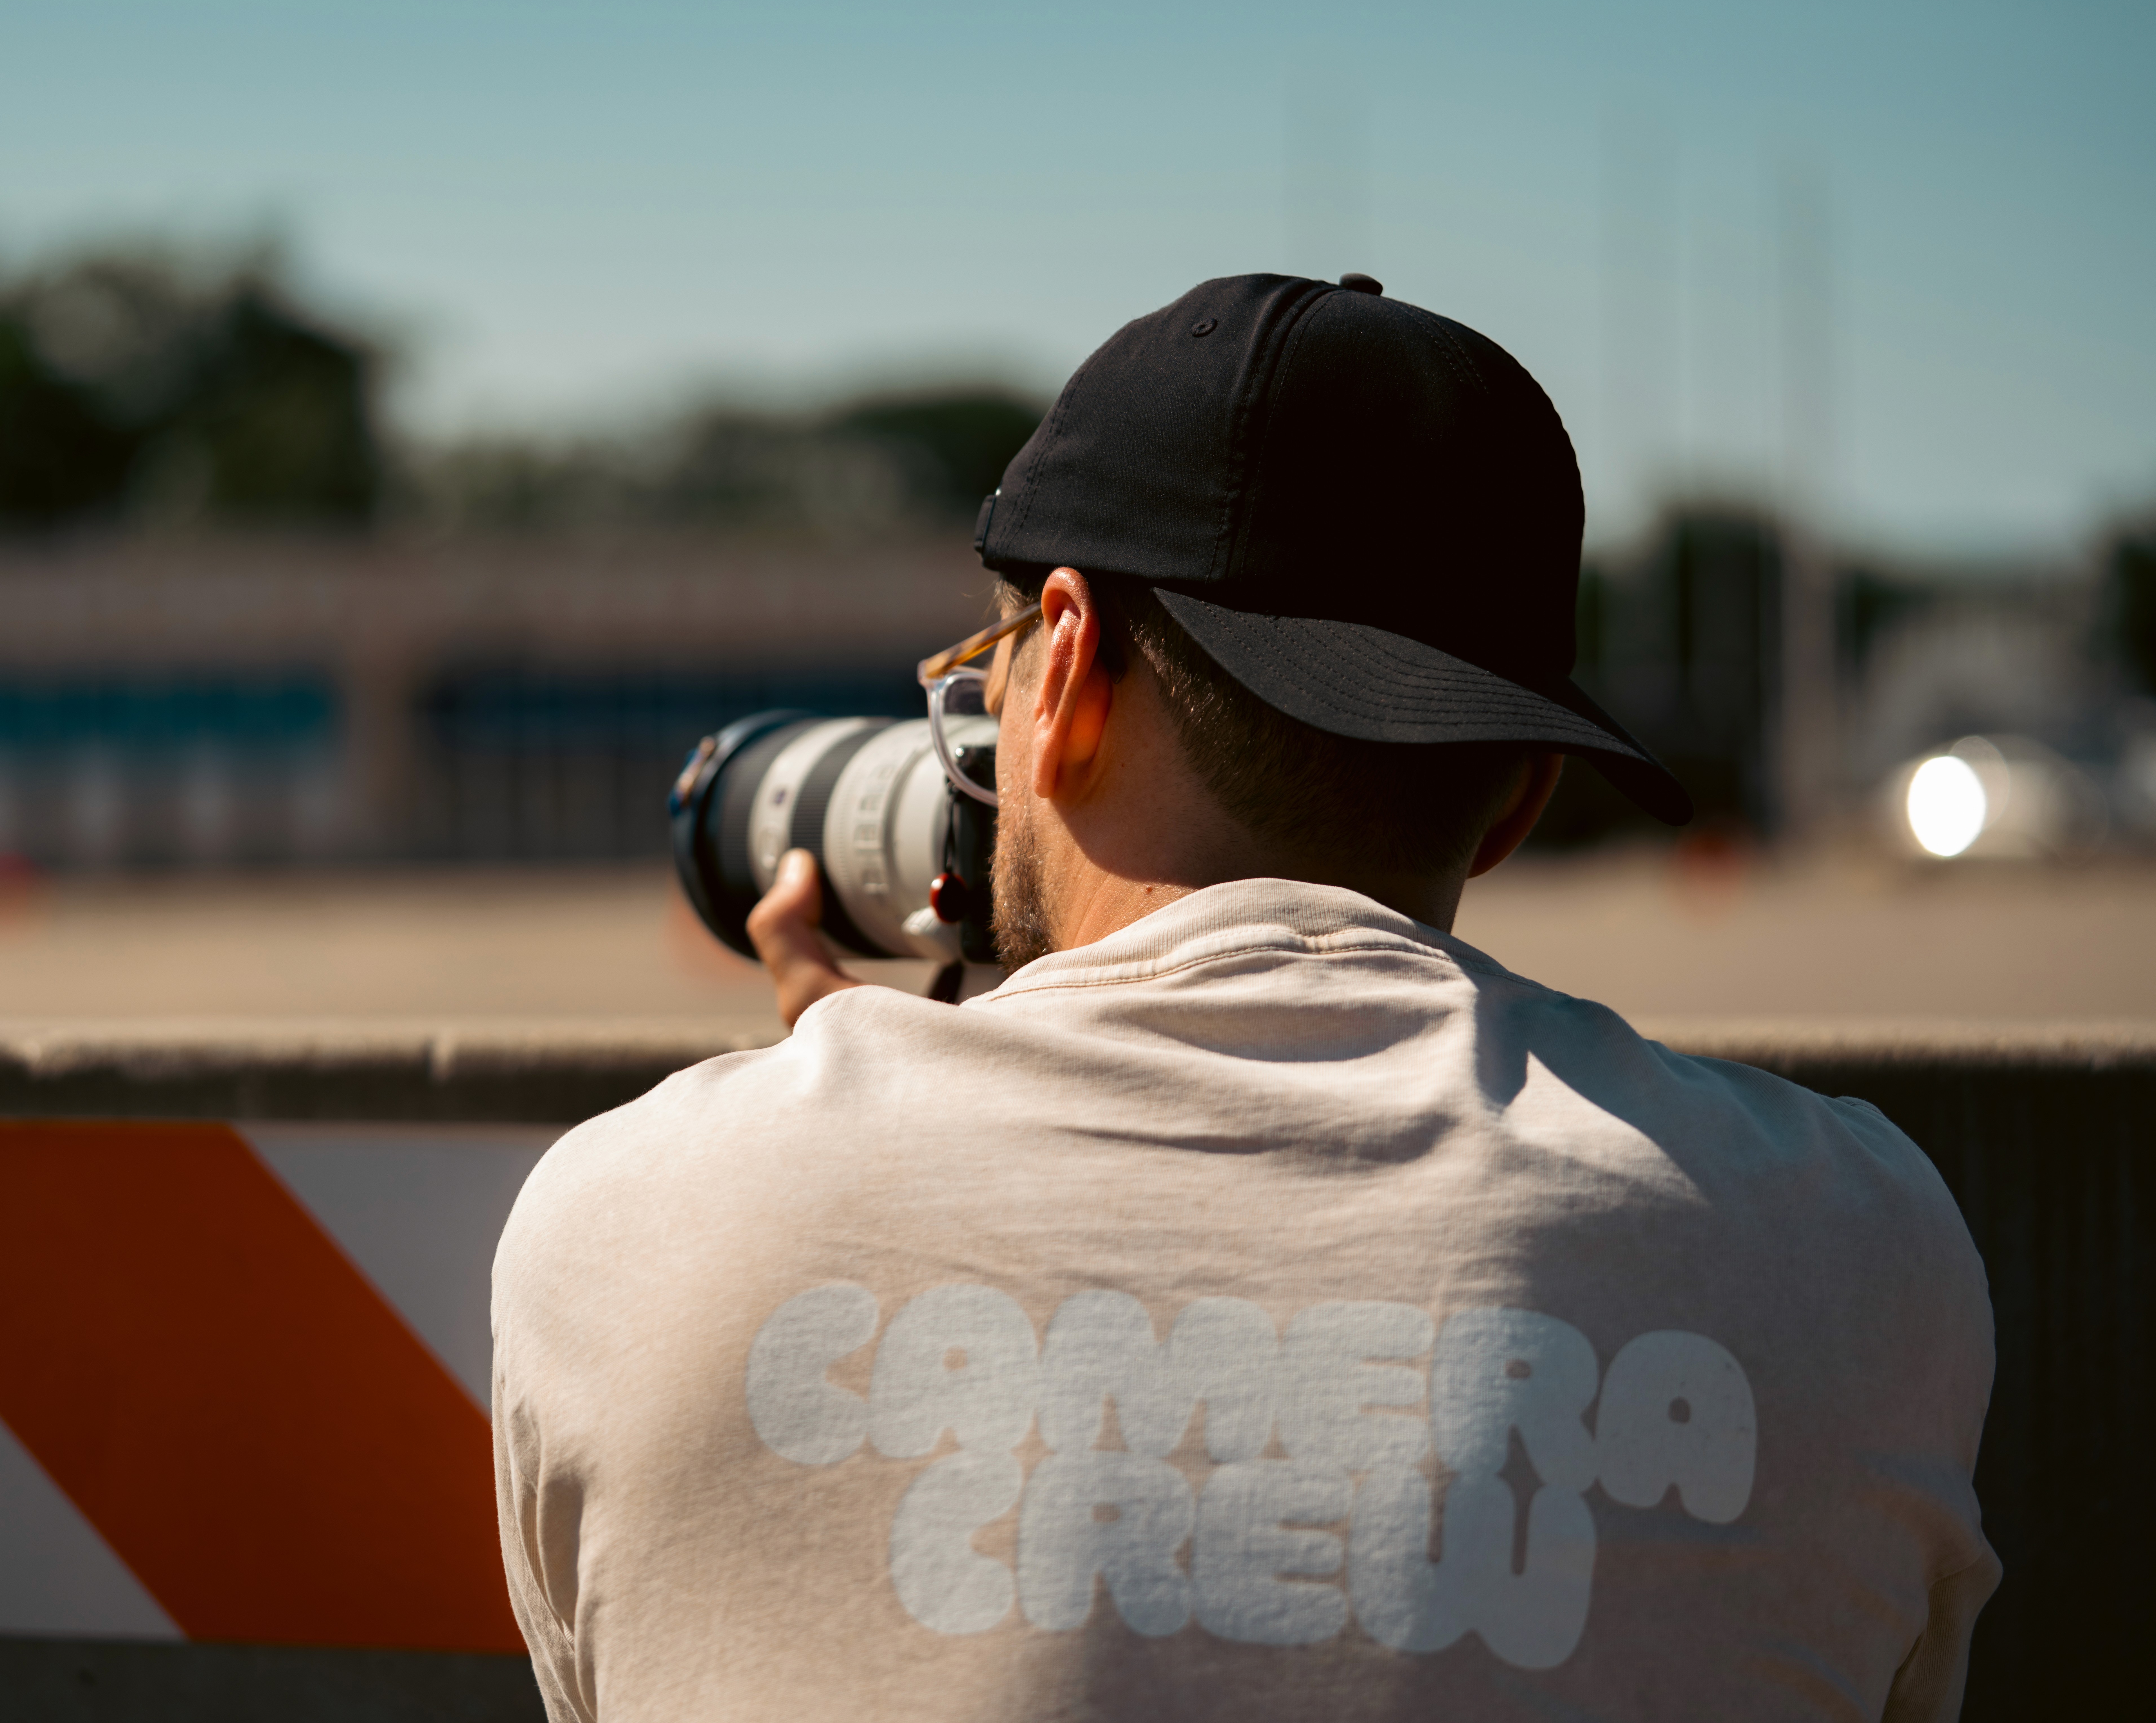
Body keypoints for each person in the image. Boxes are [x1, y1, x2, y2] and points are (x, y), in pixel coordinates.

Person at [489, 274, 1997, 1721]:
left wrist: (834, 1107)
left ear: (1065, 667)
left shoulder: (628, 1216)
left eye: (987, 672)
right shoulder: (1858, 1243)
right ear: (1517, 799)